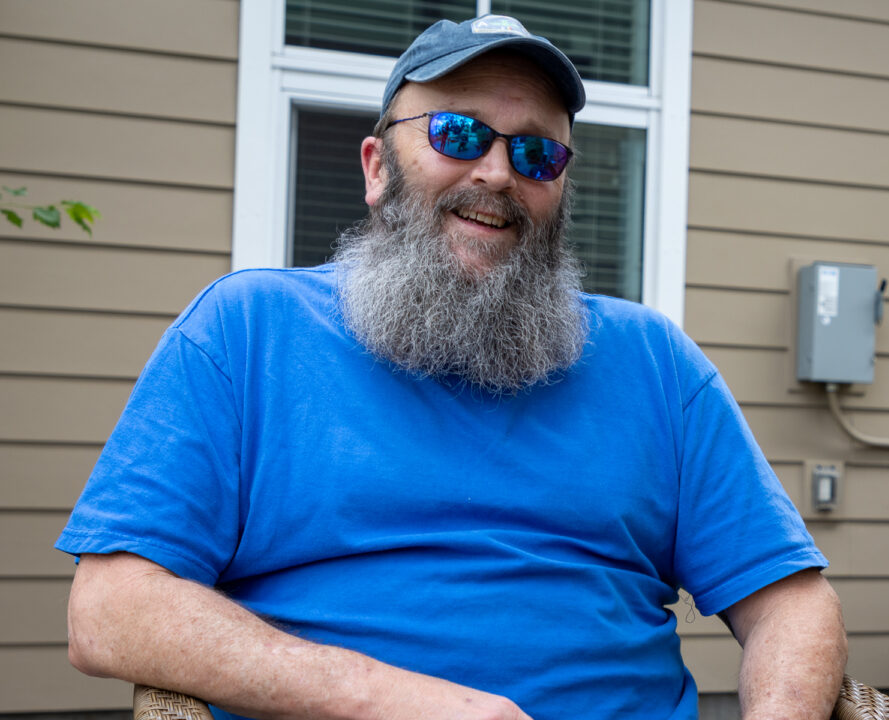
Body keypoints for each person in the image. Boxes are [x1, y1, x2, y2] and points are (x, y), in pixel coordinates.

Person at [57, 14, 846, 720]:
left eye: (537, 153)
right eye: (457, 135)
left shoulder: (653, 361)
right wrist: (386, 698)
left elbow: (791, 603)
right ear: (376, 167)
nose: (499, 175)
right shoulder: (245, 330)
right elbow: (111, 610)